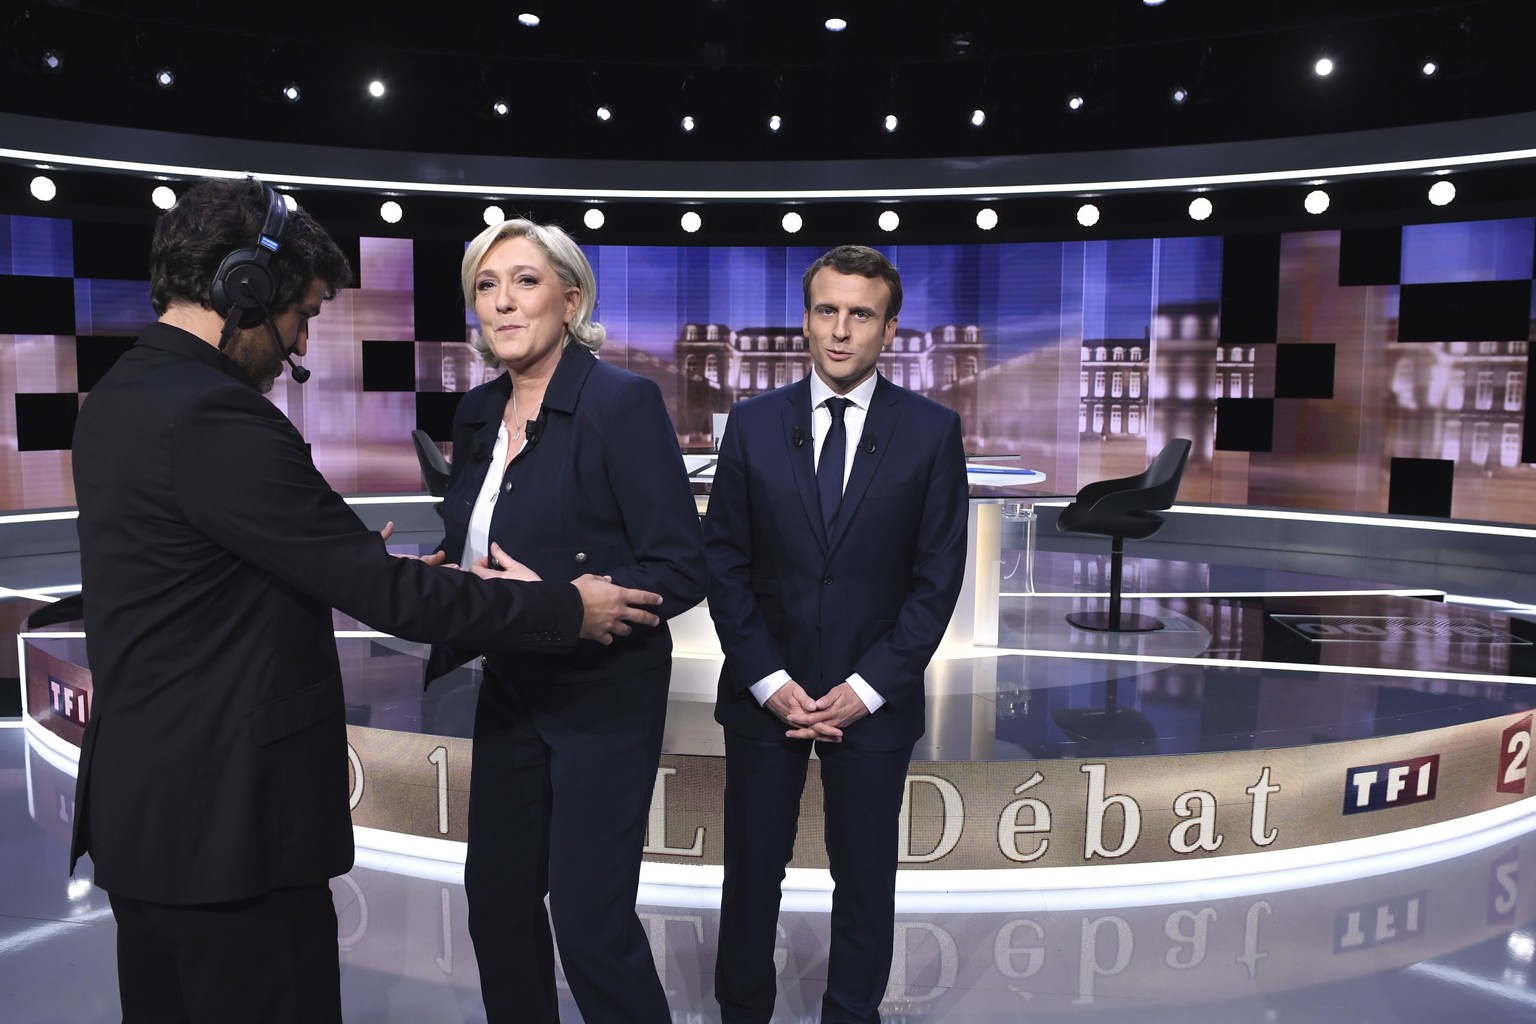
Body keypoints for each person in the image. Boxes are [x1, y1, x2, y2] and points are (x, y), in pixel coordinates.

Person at [69, 176, 664, 1024]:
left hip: (155, 821)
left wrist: (340, 560)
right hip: (228, 828)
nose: (300, 340)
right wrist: (567, 609)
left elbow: (225, 566)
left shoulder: (123, 393)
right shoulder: (214, 414)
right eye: (303, 312)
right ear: (248, 286)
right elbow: (388, 594)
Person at [432, 216, 706, 1023]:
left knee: (590, 925)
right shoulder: (476, 414)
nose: (502, 302)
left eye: (525, 281)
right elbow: (473, 545)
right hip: (509, 687)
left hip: (603, 696)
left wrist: (569, 599)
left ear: (571, 300)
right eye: (486, 285)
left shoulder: (622, 403)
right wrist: (436, 577)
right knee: (497, 905)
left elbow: (681, 567)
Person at [703, 245, 969, 1024]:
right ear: (807, 319)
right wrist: (768, 681)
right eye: (827, 310)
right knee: (752, 874)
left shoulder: (931, 432)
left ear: (889, 329)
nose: (841, 330)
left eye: (860, 314)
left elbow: (936, 581)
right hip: (765, 696)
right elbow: (725, 563)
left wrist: (864, 689)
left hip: (873, 703)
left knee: (865, 879)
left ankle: (851, 1015)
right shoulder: (752, 424)